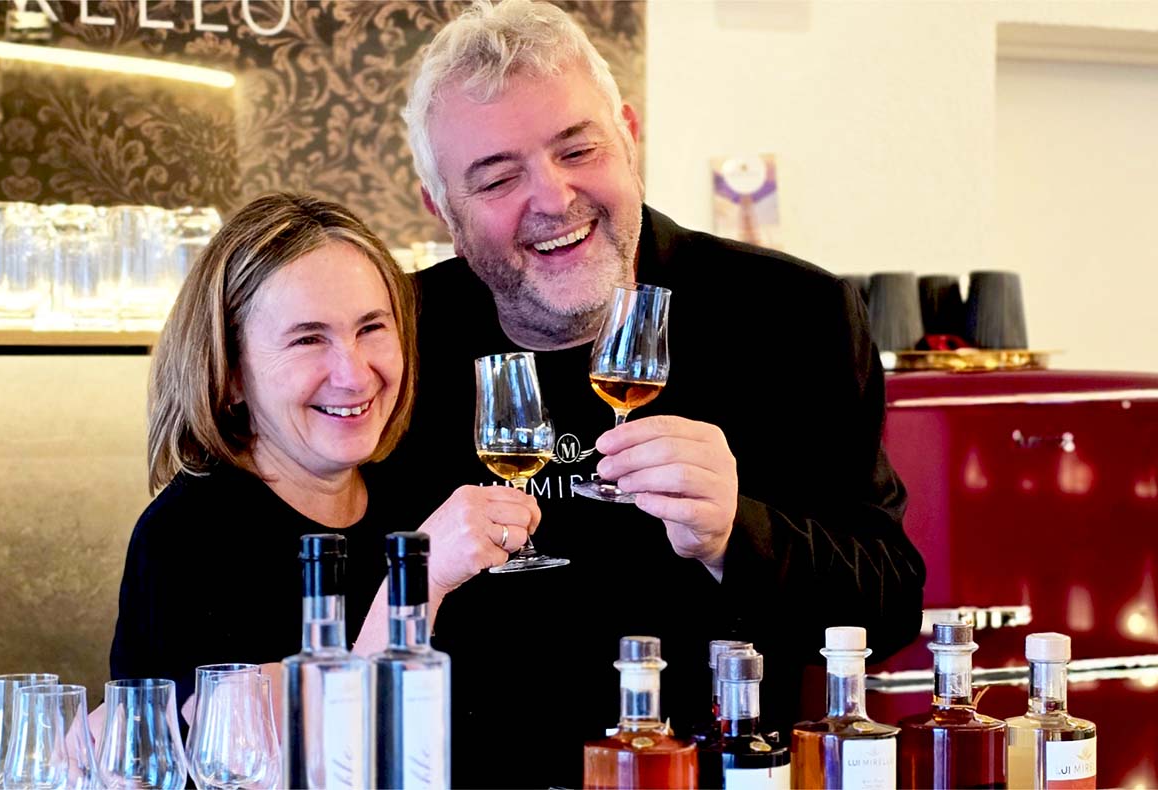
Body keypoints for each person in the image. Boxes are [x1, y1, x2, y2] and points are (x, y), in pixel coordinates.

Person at [378, 1, 928, 787]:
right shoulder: (390, 343)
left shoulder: (790, 314)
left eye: (578, 149)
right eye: (497, 178)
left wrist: (736, 533)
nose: (553, 197)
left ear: (628, 136)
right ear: (440, 210)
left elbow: (888, 606)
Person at [109, 192, 542, 717]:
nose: (354, 375)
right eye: (308, 340)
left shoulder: (414, 487)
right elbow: (274, 750)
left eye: (371, 328)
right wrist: (418, 579)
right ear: (230, 374)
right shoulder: (186, 538)